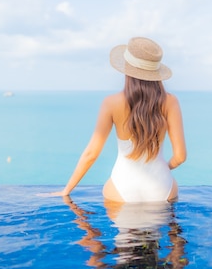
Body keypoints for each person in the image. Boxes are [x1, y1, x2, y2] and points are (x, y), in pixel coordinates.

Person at [50, 36, 187, 202]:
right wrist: (164, 168)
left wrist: (66, 190)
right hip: (161, 188)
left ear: (127, 69)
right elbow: (180, 156)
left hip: (122, 188)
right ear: (156, 72)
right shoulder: (170, 102)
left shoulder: (110, 103)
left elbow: (91, 154)